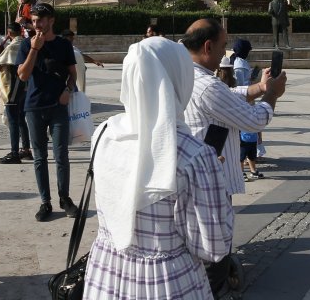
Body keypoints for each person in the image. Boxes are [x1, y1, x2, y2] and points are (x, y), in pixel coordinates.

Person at [84, 37, 233, 300]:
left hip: (105, 274)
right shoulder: (194, 155)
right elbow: (213, 246)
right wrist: (213, 180)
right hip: (168, 283)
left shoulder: (104, 133)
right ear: (178, 78)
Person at [181, 17, 286, 197]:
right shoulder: (207, 86)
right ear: (208, 47)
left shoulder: (185, 75)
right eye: (223, 46)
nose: (225, 53)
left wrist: (261, 87)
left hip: (197, 176)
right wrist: (272, 93)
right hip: (212, 184)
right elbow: (255, 120)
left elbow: (228, 95)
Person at [14, 2, 78, 221]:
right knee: (39, 157)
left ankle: (65, 199)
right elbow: (22, 76)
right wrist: (34, 48)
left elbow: (73, 74)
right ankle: (45, 202)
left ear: (51, 21)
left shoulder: (63, 45)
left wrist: (68, 90)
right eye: (33, 21)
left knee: (61, 155)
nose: (37, 24)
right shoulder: (26, 44)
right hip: (34, 107)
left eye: (40, 20)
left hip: (58, 106)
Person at [0, 23, 30, 165]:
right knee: (21, 119)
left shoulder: (13, 46)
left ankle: (15, 153)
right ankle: (26, 150)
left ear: (9, 33)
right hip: (26, 87)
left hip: (13, 87)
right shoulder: (27, 43)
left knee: (13, 120)